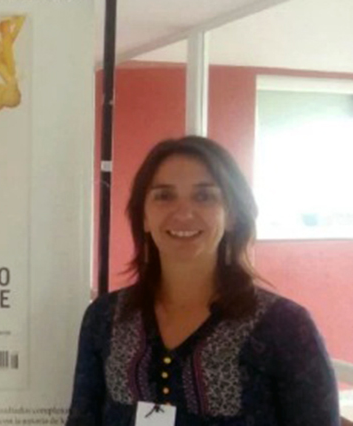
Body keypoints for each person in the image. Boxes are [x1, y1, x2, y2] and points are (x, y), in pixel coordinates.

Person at [66, 136, 339, 425]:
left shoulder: (286, 327)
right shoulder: (104, 317)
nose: (183, 213)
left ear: (231, 215)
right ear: (144, 216)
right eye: (164, 196)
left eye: (204, 197)